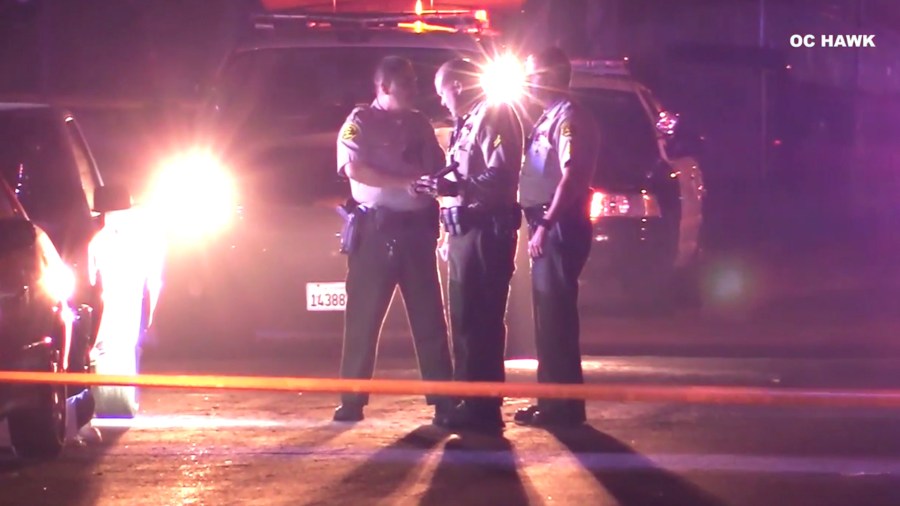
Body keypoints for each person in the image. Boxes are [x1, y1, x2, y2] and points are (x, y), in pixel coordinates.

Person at [333, 56, 454, 423]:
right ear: (384, 87)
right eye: (406, 83)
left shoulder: (419, 124)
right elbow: (355, 168)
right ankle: (352, 400)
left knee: (430, 318)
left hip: (416, 230)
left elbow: (437, 165)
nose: (414, 89)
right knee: (363, 319)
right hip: (376, 232)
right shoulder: (359, 124)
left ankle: (445, 400)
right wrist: (404, 183)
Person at [416, 58, 523, 435]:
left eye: (442, 91)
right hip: (463, 234)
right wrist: (438, 184)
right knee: (463, 320)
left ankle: (484, 408)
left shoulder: (495, 115)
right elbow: (462, 174)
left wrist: (454, 189)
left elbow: (500, 174)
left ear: (457, 87)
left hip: (485, 232)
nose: (442, 101)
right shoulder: (466, 124)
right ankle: (467, 402)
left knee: (482, 321)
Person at [514, 47, 599, 428]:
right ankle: (553, 404)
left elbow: (573, 175)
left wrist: (546, 223)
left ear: (551, 75)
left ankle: (561, 409)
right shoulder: (549, 116)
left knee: (556, 320)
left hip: (559, 225)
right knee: (549, 320)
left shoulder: (568, 119)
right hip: (549, 223)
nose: (529, 79)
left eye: (533, 71)